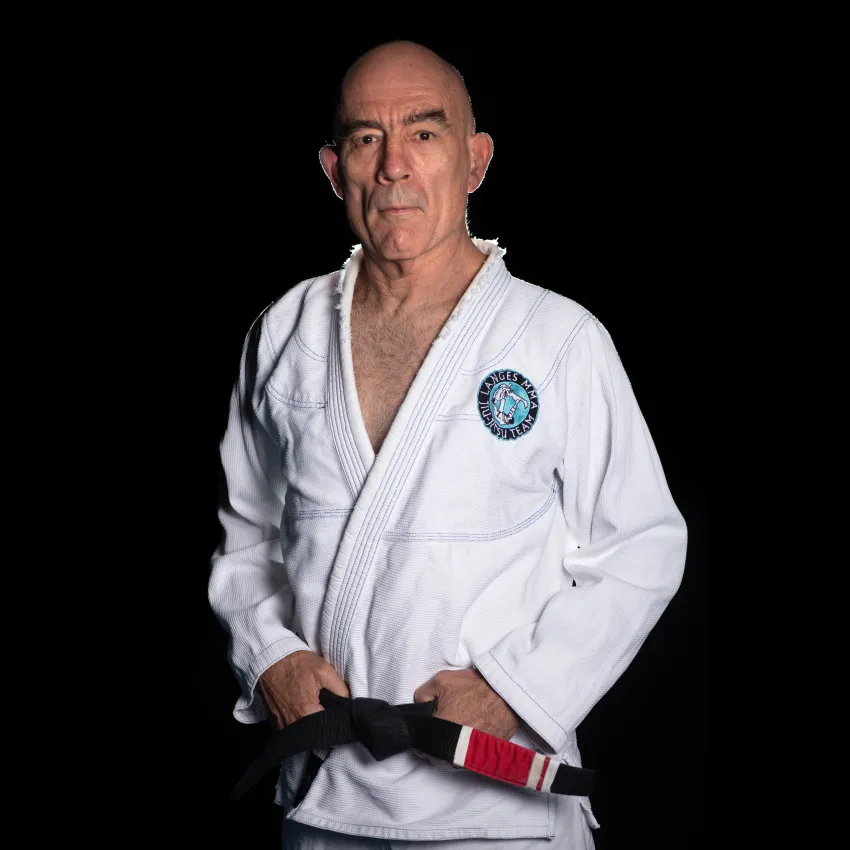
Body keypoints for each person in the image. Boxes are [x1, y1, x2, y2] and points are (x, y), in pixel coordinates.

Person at [208, 40, 687, 849]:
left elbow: (642, 547)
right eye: (366, 138)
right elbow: (248, 535)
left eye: (424, 134)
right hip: (326, 793)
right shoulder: (284, 332)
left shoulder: (557, 339)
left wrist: (511, 689)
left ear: (475, 161)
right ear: (335, 170)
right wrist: (269, 657)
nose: (394, 165)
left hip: (497, 802)